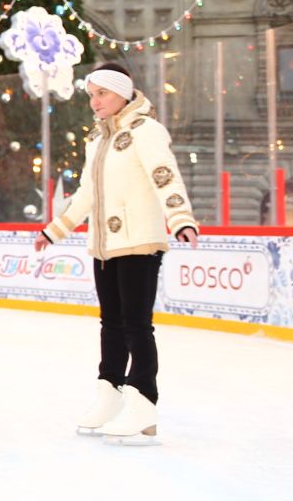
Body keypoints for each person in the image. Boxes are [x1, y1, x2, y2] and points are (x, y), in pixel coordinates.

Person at [35, 62, 200, 440]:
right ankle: (109, 393)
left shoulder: (146, 131)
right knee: (110, 325)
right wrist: (54, 230)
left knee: (136, 327)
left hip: (140, 241)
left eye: (102, 94)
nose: (95, 102)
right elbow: (86, 195)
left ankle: (143, 402)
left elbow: (165, 174)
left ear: (122, 93)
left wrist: (180, 219)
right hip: (105, 247)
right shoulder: (98, 140)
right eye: (91, 95)